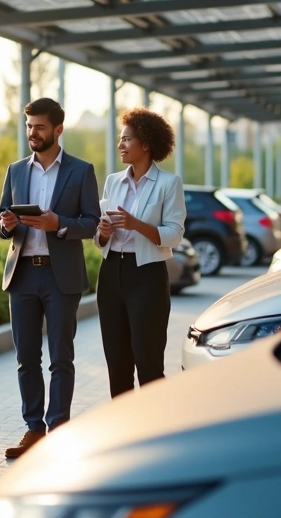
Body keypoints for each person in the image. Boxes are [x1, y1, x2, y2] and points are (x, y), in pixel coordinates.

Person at [0, 98, 101, 458]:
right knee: (26, 357)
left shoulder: (81, 170)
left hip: (61, 277)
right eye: (28, 126)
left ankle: (58, 430)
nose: (32, 133)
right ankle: (33, 430)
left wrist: (60, 225)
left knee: (61, 357)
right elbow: (0, 221)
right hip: (22, 274)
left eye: (39, 127)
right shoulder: (16, 170)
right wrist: (6, 225)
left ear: (58, 130)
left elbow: (91, 223)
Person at [94, 108, 186, 398]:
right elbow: (100, 236)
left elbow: (175, 234)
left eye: (126, 139)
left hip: (147, 276)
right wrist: (103, 233)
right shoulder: (112, 181)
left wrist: (137, 225)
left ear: (145, 143)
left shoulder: (169, 184)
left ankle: (153, 429)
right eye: (120, 139)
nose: (120, 145)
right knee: (117, 363)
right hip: (110, 274)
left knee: (148, 362)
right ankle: (124, 433)